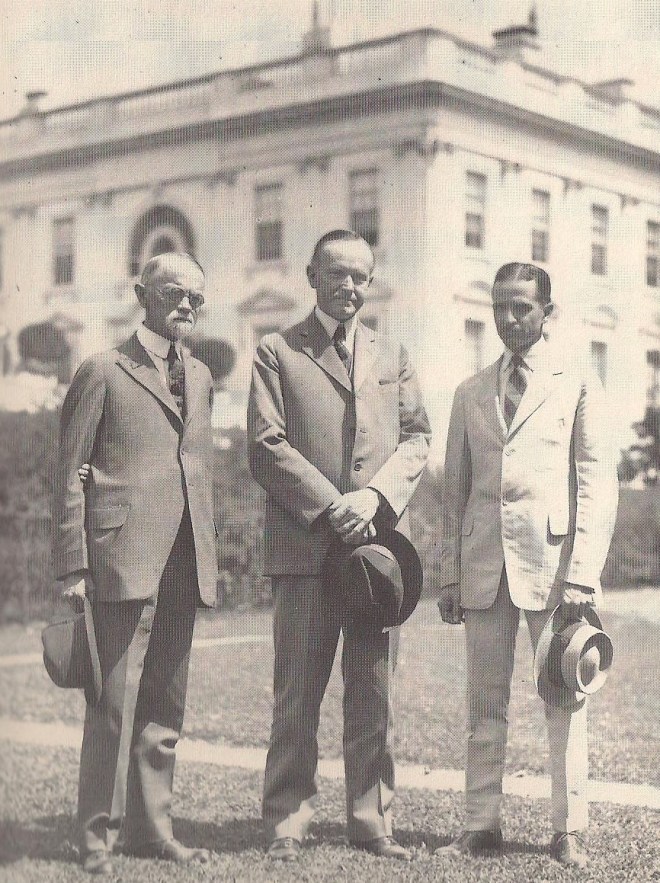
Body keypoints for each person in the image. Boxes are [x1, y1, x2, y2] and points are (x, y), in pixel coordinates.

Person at [247, 229, 431, 862]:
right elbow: (266, 446)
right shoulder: (276, 351)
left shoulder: (393, 352)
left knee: (372, 690)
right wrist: (334, 506)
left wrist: (374, 500)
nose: (349, 287)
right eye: (337, 275)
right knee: (298, 690)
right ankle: (287, 820)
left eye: (360, 277)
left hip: (377, 554)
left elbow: (416, 439)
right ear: (311, 275)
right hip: (307, 548)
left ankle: (371, 818)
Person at [437, 262, 618, 867]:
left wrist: (582, 574)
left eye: (523, 308)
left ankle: (569, 830)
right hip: (485, 565)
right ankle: (480, 824)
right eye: (500, 308)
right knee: (484, 701)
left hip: (556, 568)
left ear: (547, 312)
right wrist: (450, 574)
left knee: (565, 696)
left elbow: (596, 480)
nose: (510, 320)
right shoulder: (468, 392)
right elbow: (453, 492)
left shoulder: (577, 382)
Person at [51, 252, 218, 875]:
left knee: (166, 703)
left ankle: (151, 829)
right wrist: (72, 562)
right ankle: (95, 835)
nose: (186, 306)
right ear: (141, 293)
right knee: (110, 700)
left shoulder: (200, 375)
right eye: (174, 293)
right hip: (117, 552)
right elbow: (70, 469)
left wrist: (210, 546)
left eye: (196, 298)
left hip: (185, 552)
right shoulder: (102, 369)